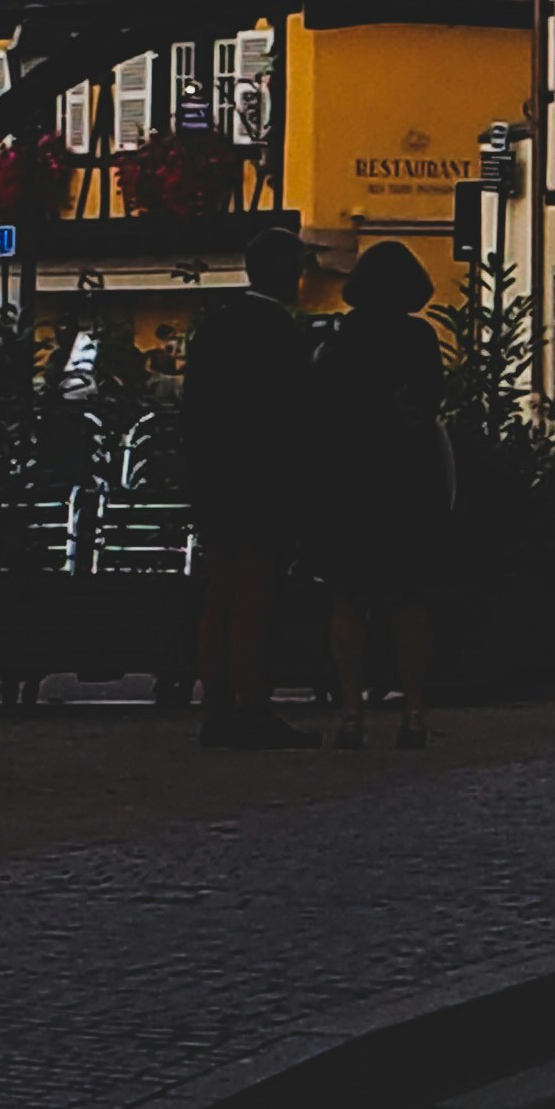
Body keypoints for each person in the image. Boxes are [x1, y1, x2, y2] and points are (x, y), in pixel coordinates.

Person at [306, 240, 450, 750]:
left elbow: (320, 410)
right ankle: (412, 711)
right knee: (410, 600)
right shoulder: (419, 337)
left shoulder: (341, 339)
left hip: (350, 484)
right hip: (405, 483)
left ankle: (351, 711)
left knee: (348, 599)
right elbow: (430, 404)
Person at [182, 226, 312, 748]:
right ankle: (249, 706)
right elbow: (295, 418)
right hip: (262, 485)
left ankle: (216, 704)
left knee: (218, 597)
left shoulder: (215, 327)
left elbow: (193, 412)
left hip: (215, 481)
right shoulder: (279, 333)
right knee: (256, 596)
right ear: (288, 273)